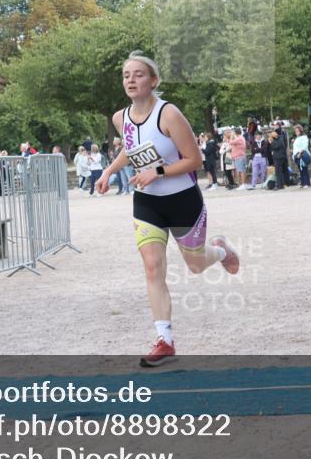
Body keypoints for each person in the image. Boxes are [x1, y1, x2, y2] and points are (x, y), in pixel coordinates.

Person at [95, 51, 240, 367]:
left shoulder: (169, 114)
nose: (131, 80)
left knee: (196, 265)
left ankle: (220, 249)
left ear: (154, 80)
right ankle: (165, 339)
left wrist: (157, 172)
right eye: (126, 75)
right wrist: (108, 171)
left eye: (138, 74)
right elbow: (131, 152)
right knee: (152, 266)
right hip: (147, 201)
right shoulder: (121, 118)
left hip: (182, 199)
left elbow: (195, 161)